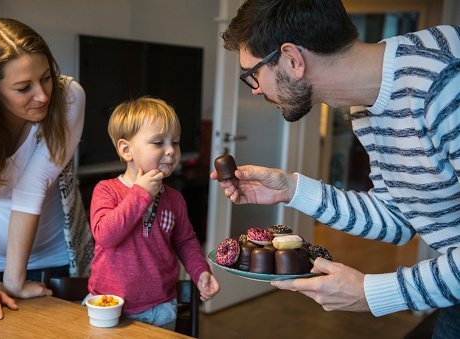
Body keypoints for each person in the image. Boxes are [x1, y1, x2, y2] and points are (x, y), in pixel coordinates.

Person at [212, 0, 460, 337]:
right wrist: (291, 189)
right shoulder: (366, 105)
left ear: (292, 59)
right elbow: (398, 219)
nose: (255, 90)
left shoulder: (444, 83)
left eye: (252, 74)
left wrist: (373, 293)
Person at [0, 18, 92, 323]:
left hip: (59, 259)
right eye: (23, 87)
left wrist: (15, 280)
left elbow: (33, 185)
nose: (42, 95)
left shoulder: (68, 97)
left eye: (45, 78)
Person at [88, 97, 219, 331]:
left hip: (161, 306)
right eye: (159, 142)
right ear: (126, 150)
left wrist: (200, 272)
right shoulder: (106, 190)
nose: (171, 151)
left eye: (175, 142)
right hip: (109, 306)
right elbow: (106, 236)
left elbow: (186, 241)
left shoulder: (175, 198)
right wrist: (141, 193)